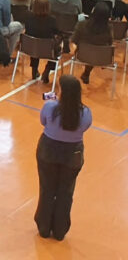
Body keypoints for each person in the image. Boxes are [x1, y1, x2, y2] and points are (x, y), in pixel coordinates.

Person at [34, 75, 91, 241]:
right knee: (66, 191)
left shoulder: (50, 106)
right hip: (73, 153)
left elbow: (43, 122)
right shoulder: (85, 112)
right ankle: (60, 230)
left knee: (47, 188)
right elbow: (85, 127)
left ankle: (44, 227)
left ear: (61, 91)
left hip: (48, 149)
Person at [71, 2, 113, 85]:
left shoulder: (82, 25)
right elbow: (110, 43)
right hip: (101, 58)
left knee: (90, 52)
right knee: (94, 52)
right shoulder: (109, 28)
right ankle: (86, 73)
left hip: (82, 55)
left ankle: (86, 73)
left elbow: (74, 40)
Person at [25, 0, 61, 83]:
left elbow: (27, 31)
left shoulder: (29, 17)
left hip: (31, 49)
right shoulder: (52, 20)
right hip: (48, 50)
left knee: (35, 43)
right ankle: (47, 70)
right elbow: (57, 32)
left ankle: (34, 69)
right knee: (57, 49)